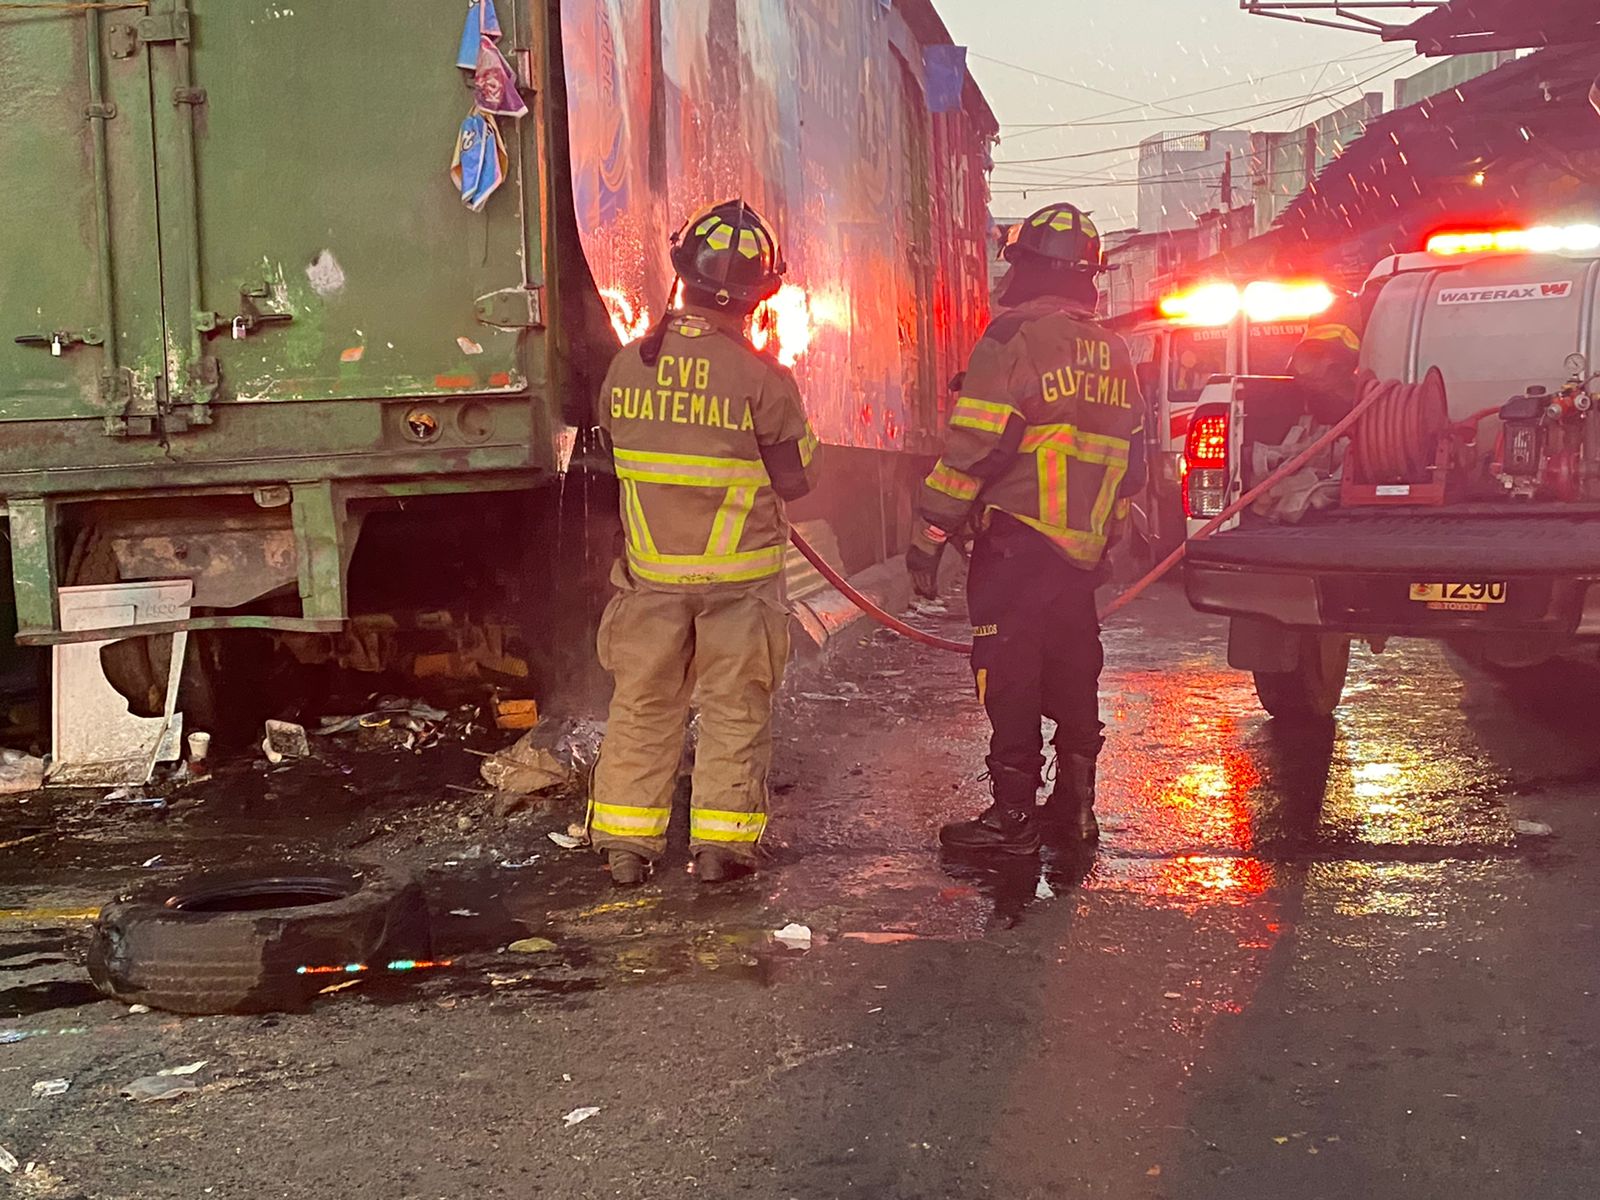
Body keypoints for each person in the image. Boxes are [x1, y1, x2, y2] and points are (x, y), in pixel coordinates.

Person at [589, 199, 821, 886]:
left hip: (650, 580)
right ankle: (720, 849)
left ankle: (627, 849)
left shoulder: (627, 367)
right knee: (733, 706)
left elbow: (616, 459)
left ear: (681, 273)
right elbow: (799, 478)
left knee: (642, 703)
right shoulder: (764, 380)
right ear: (763, 292)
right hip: (739, 588)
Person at [907, 201, 1146, 855]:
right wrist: (1107, 535)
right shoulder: (1115, 350)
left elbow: (976, 449)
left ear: (1028, 268)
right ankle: (1075, 809)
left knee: (1008, 673)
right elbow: (1133, 464)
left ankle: (1012, 818)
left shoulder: (1011, 337)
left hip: (1017, 545)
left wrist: (930, 534)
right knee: (1073, 672)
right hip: (1081, 553)